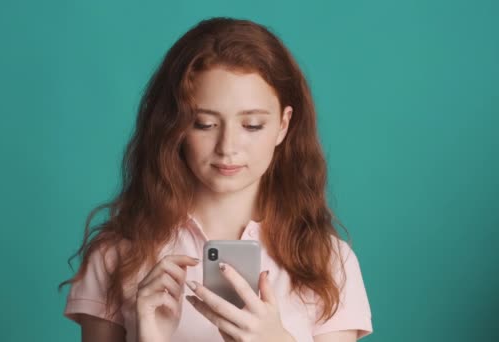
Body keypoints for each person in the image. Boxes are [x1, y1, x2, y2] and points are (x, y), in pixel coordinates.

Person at [58, 17, 373, 342]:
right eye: (205, 124)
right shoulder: (117, 256)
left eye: (251, 125)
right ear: (175, 126)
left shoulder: (328, 261)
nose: (228, 148)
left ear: (283, 124)